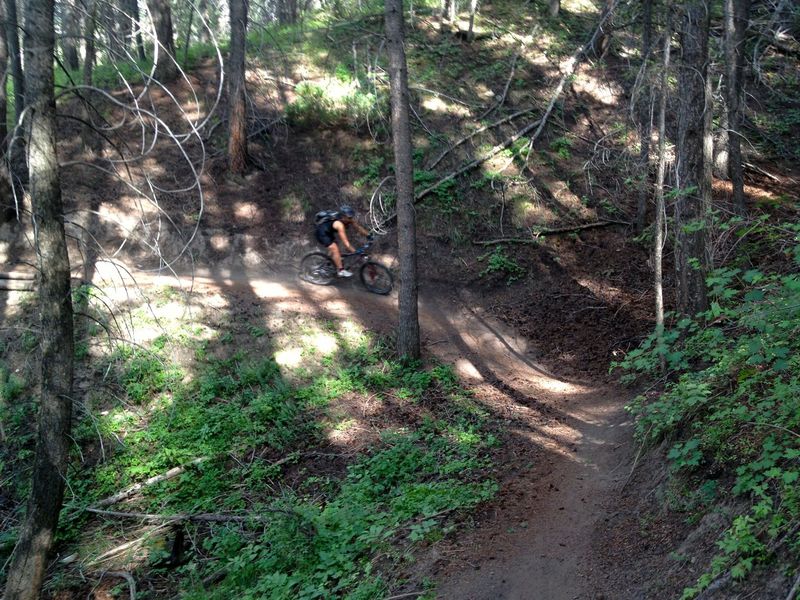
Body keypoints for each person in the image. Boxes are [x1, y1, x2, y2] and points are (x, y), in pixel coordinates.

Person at [315, 205, 371, 277]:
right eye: (349, 217)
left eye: (351, 217)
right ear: (343, 216)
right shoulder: (339, 225)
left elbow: (358, 228)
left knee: (335, 249)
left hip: (328, 232)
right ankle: (341, 271)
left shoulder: (348, 219)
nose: (351, 218)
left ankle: (328, 263)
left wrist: (369, 235)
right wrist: (356, 252)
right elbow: (346, 244)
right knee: (335, 248)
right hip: (321, 233)